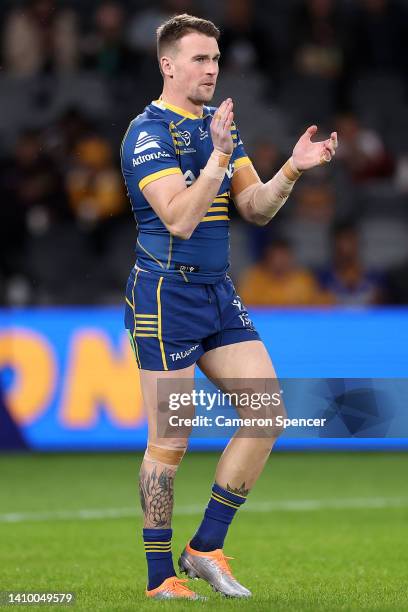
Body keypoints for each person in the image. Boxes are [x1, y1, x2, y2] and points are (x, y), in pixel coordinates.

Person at [120, 13, 337, 600]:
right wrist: (217, 157)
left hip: (216, 292)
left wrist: (293, 167)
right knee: (171, 440)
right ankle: (159, 577)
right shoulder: (147, 134)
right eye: (199, 58)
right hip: (164, 296)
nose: (212, 68)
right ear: (167, 64)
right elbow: (179, 219)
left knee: (266, 414)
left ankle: (205, 547)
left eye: (216, 59)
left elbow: (258, 209)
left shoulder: (221, 130)